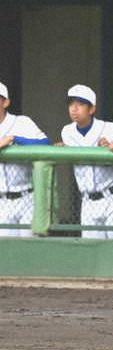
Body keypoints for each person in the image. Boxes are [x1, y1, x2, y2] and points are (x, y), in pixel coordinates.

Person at [60, 84, 113, 239]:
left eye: (80, 104)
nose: (74, 109)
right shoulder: (67, 132)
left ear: (92, 109)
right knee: (92, 252)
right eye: (71, 104)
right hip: (87, 201)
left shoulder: (111, 128)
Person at [0, 81, 50, 237]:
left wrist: (14, 138)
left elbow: (46, 145)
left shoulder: (22, 122)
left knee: (30, 250)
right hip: (1, 201)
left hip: (26, 197)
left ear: (6, 102)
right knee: (6, 253)